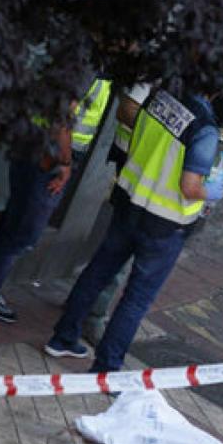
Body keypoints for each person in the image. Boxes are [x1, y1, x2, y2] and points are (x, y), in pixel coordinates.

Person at [45, 87, 223, 371]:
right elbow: (190, 187)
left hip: (130, 202)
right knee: (136, 299)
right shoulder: (205, 129)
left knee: (97, 272)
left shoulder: (159, 98)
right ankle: (106, 368)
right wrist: (213, 191)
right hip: (165, 224)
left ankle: (62, 338)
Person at [0, 76, 112, 341]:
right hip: (48, 157)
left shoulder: (89, 64)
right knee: (22, 234)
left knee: (12, 227)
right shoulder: (86, 67)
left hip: (39, 150)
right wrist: (64, 163)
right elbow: (61, 118)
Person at [82, 82, 151, 345]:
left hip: (142, 170)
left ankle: (83, 305)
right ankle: (92, 315)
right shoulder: (162, 71)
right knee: (118, 254)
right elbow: (127, 109)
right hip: (134, 168)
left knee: (113, 250)